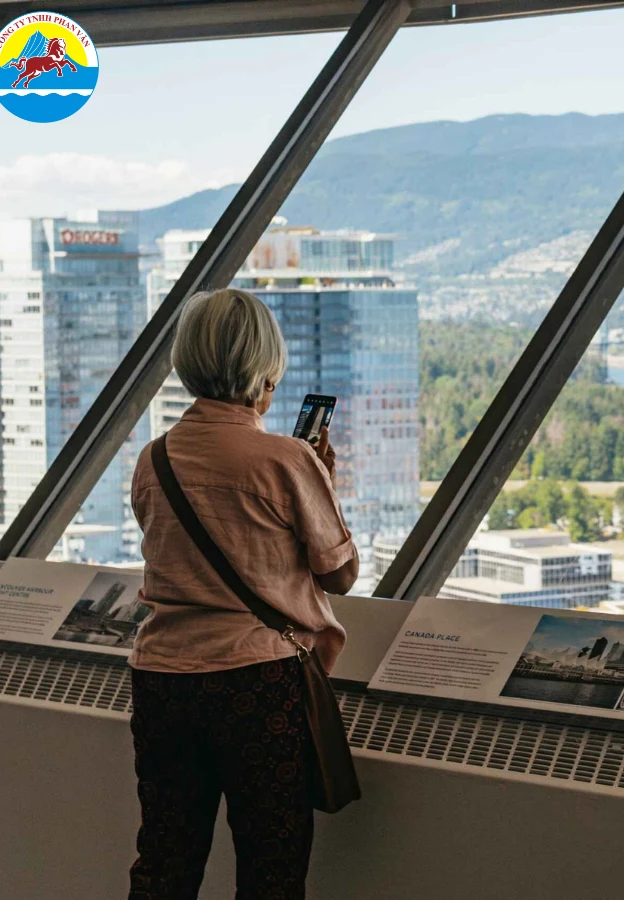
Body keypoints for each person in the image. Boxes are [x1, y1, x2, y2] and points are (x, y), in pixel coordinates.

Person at [127, 288, 359, 900]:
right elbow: (339, 574)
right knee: (271, 866)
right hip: (257, 682)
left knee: (164, 860)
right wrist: (321, 483)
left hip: (162, 677)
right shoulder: (285, 459)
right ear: (267, 367)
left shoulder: (153, 459)